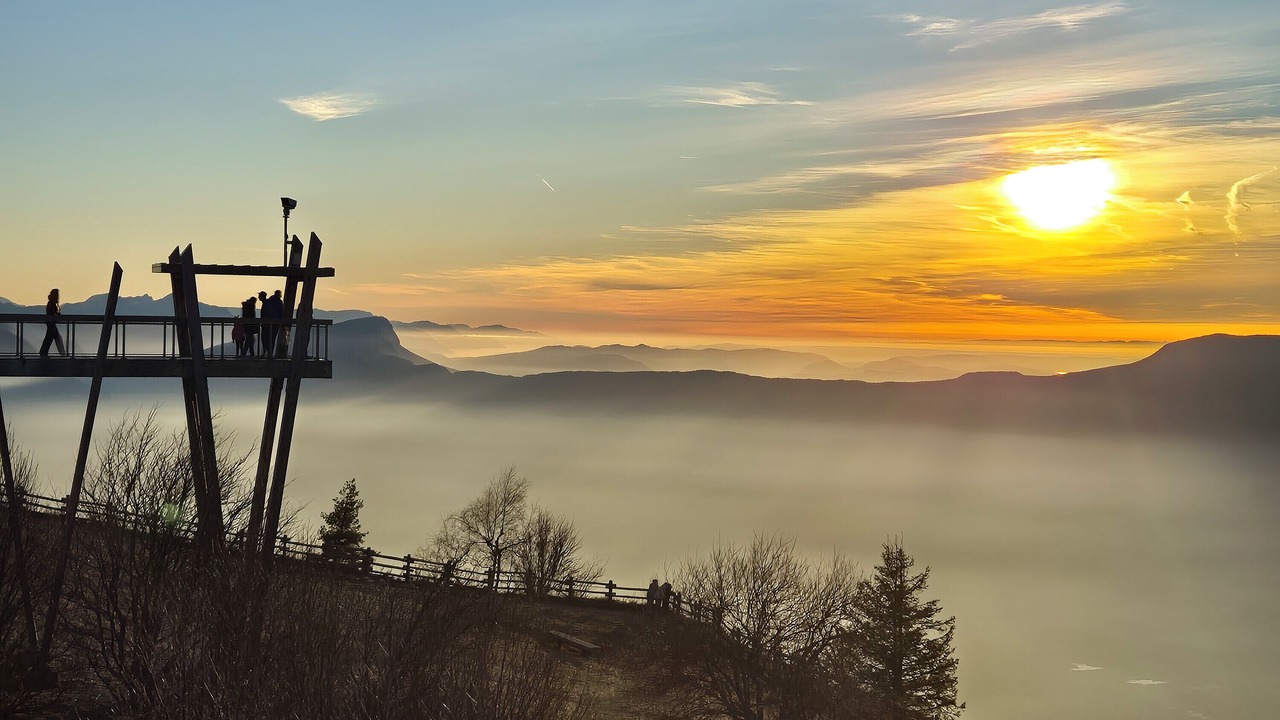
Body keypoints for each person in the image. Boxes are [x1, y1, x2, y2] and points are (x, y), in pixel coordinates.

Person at [39, 288, 67, 357]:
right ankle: (62, 354)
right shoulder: (52, 303)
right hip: (51, 324)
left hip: (50, 324)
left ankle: (43, 352)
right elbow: (53, 313)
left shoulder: (51, 302)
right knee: (53, 338)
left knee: (50, 338)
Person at [260, 289, 284, 357]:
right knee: (272, 339)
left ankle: (266, 351)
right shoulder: (279, 302)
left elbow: (264, 312)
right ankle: (270, 353)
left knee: (265, 338)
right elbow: (281, 313)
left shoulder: (268, 302)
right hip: (275, 324)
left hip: (266, 323)